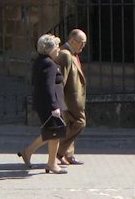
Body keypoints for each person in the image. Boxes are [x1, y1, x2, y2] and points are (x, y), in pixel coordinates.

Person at [19, 33, 67, 174]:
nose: (58, 49)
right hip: (49, 104)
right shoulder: (49, 64)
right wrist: (54, 107)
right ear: (49, 49)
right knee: (55, 133)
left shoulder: (41, 61)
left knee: (52, 132)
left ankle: (29, 153)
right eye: (56, 47)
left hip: (45, 102)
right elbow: (48, 87)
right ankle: (50, 163)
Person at [56, 28, 88, 165]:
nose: (83, 46)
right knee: (80, 123)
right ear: (72, 41)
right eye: (81, 42)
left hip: (72, 99)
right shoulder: (65, 55)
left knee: (70, 125)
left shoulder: (72, 53)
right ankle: (58, 152)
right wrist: (60, 101)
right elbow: (61, 80)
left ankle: (68, 155)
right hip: (70, 99)